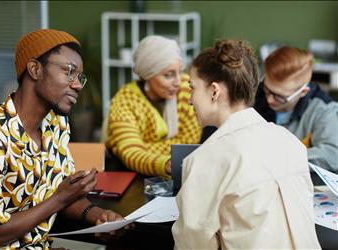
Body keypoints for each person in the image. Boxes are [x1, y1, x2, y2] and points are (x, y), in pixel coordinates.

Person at [0, 29, 127, 249]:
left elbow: (62, 192)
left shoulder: (55, 124)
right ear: (35, 69)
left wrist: (98, 215)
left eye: (79, 77)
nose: (77, 85)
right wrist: (59, 199)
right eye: (69, 71)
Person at [172, 39, 320, 249]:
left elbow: (192, 245)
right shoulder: (291, 143)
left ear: (214, 91)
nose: (189, 100)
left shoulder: (205, 160)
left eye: (192, 88)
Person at [106, 35, 201, 178]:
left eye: (179, 72)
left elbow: (189, 143)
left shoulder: (187, 89)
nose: (177, 81)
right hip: (135, 177)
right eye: (168, 75)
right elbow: (131, 154)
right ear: (147, 75)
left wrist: (143, 147)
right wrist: (164, 162)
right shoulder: (125, 100)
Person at [254, 46, 338, 173]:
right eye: (267, 90)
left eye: (279, 97)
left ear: (303, 92)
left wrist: (284, 158)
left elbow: (332, 155)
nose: (270, 99)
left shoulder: (323, 109)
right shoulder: (253, 97)